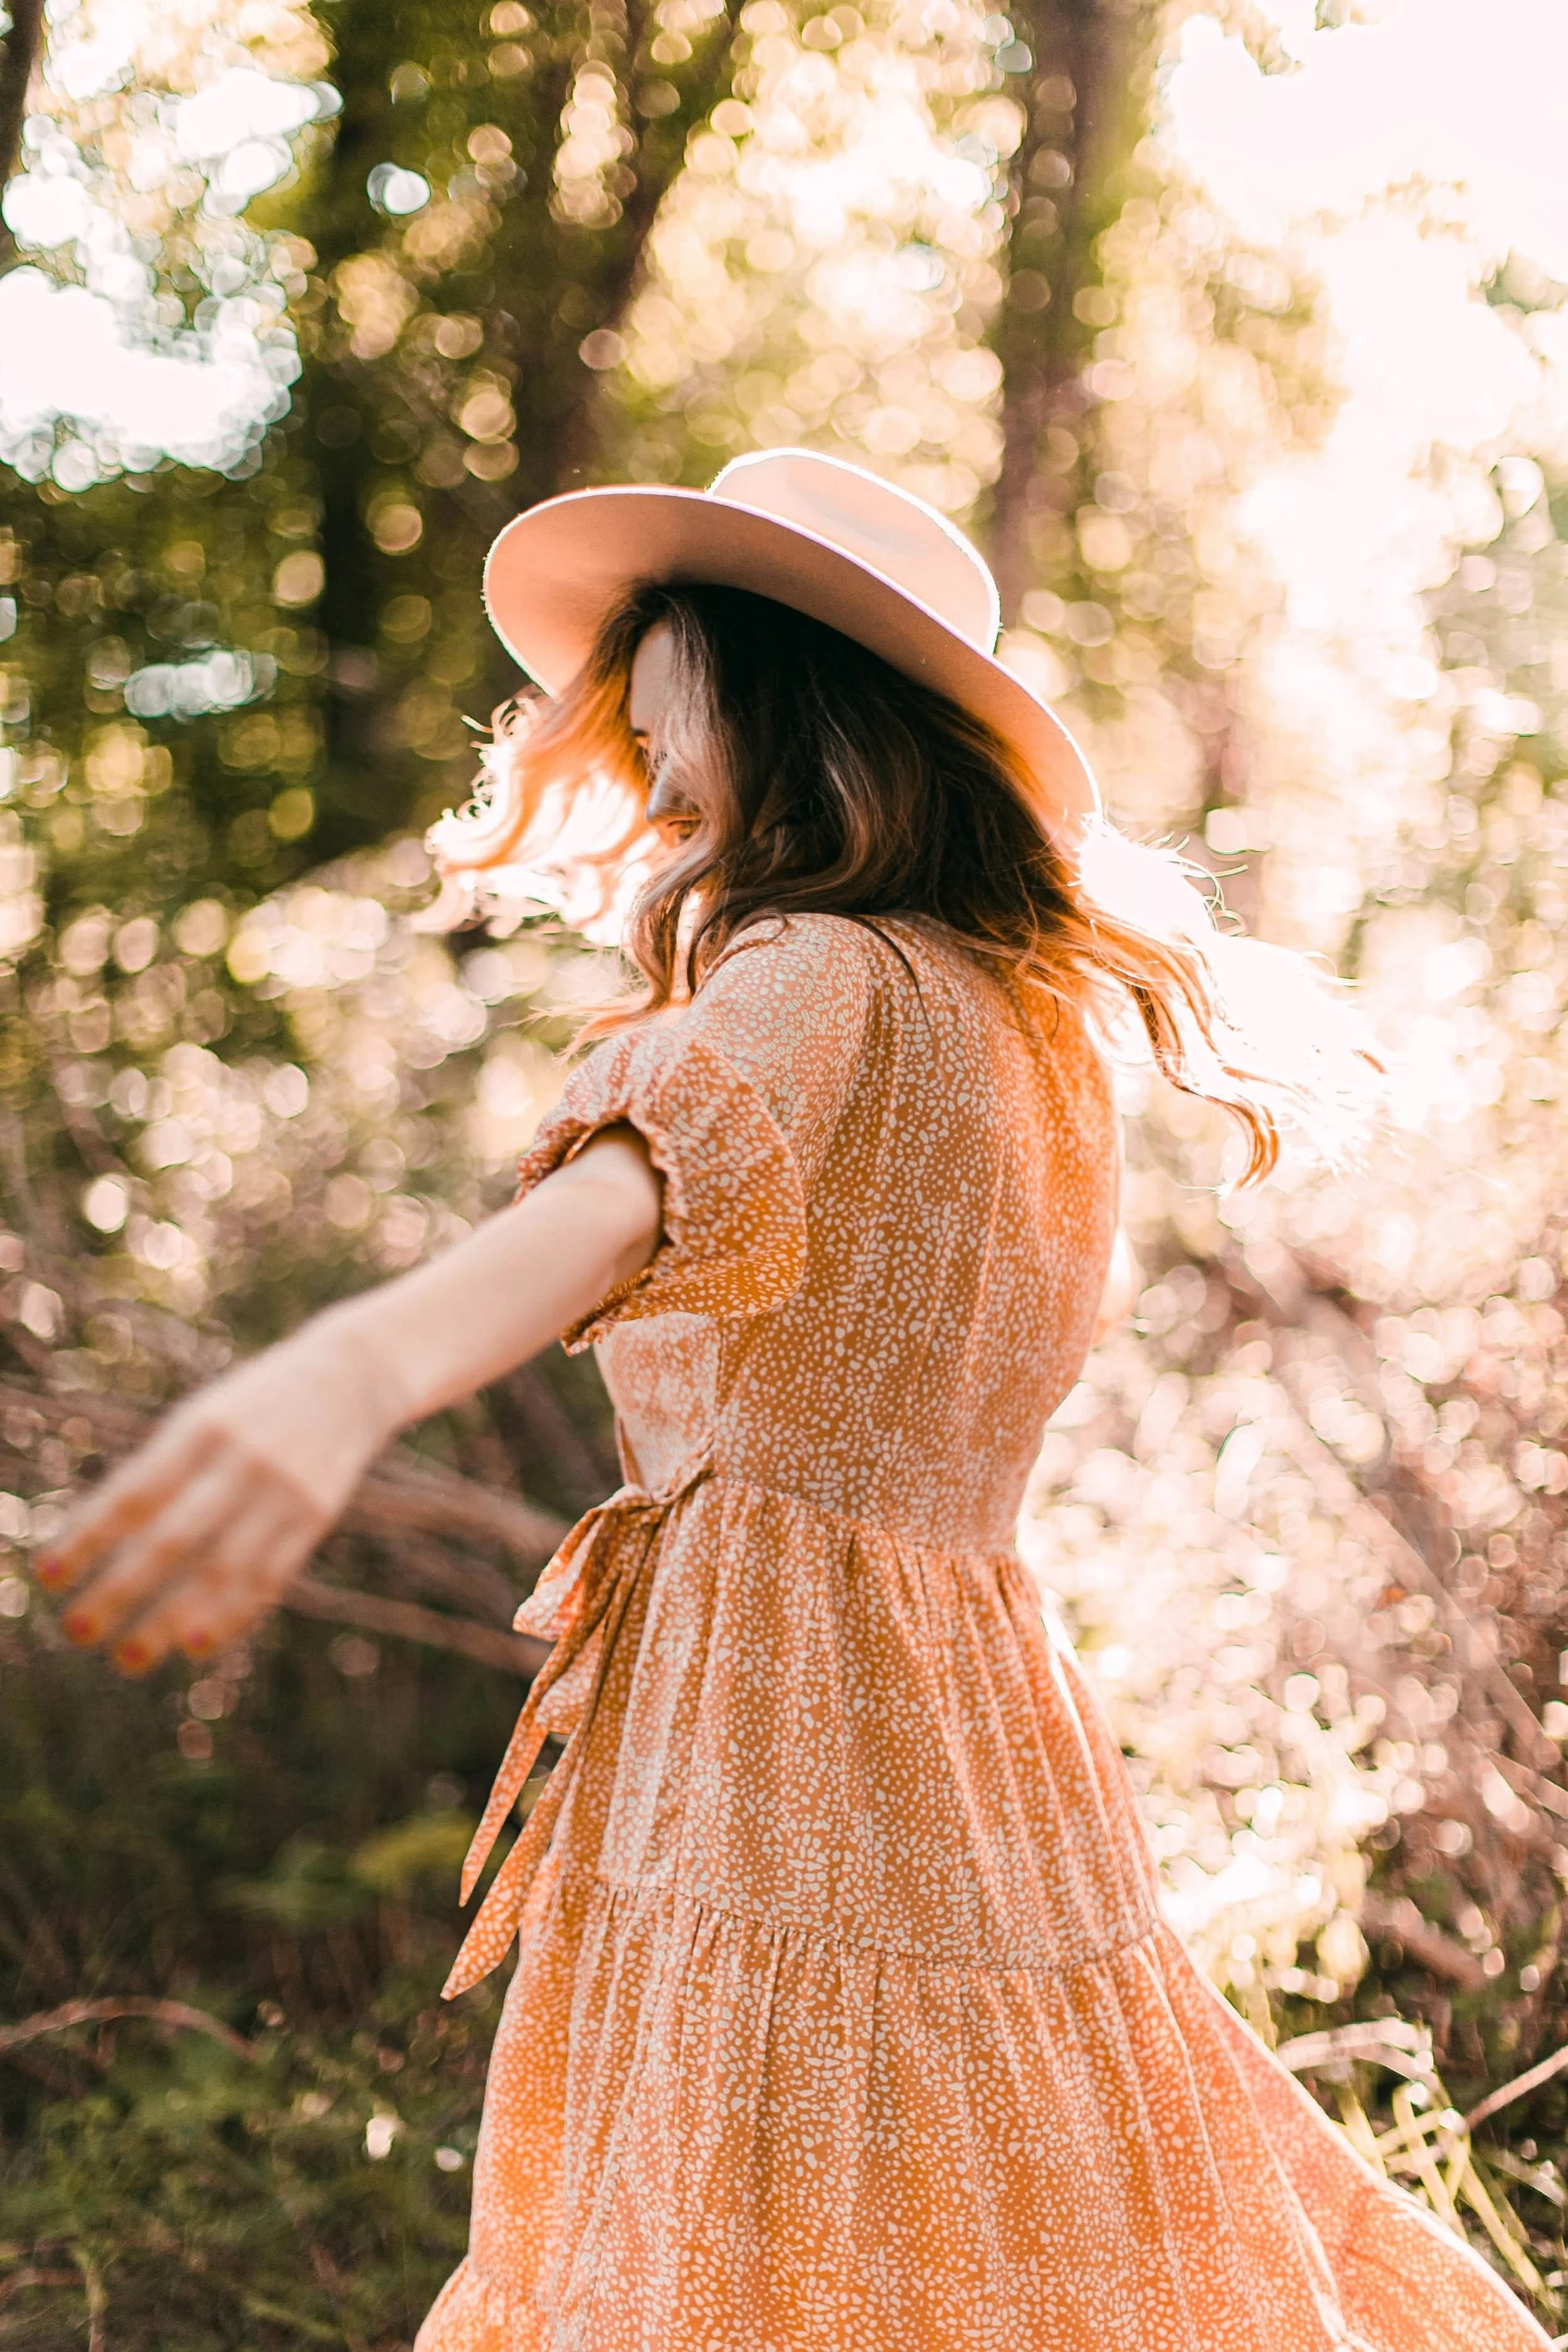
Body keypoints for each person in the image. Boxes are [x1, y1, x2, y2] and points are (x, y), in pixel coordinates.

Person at [36, 450, 1549, 2352]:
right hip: (977, 1702)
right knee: (1013, 2187)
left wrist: (351, 1369)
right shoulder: (1025, 1023)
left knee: (742, 2226)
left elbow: (626, 1196)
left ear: (793, 721)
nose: (664, 811)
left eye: (678, 755)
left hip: (781, 1707)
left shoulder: (813, 974)